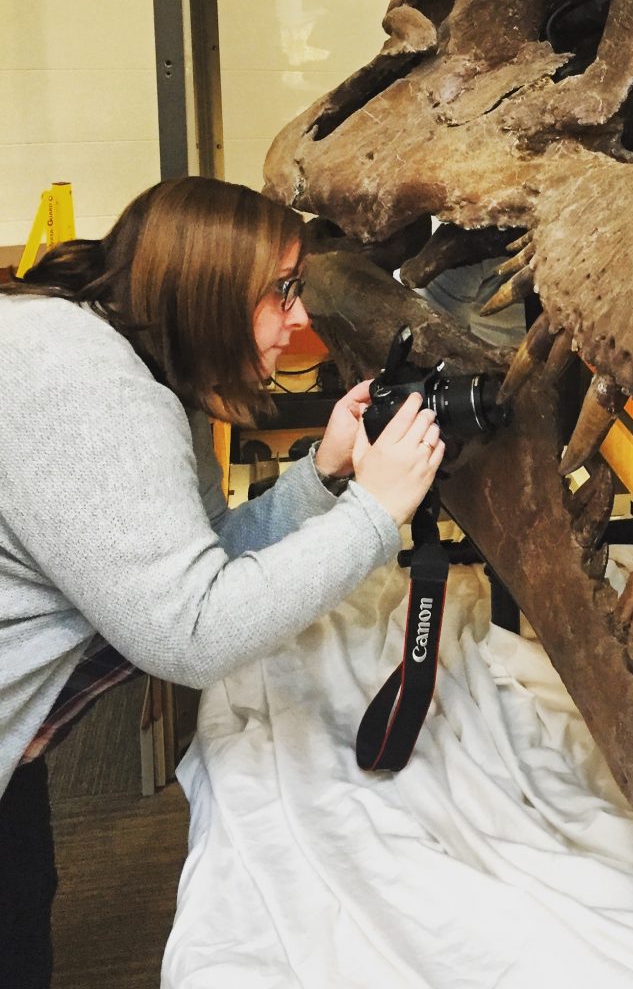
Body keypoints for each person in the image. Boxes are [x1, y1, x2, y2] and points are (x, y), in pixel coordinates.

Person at [0, 176, 444, 987]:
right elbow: (193, 633)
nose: (301, 319)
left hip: (19, 750)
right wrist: (375, 514)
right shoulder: (83, 386)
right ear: (205, 292)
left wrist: (328, 470)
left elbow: (205, 555)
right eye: (282, 293)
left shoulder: (143, 373)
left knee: (22, 913)